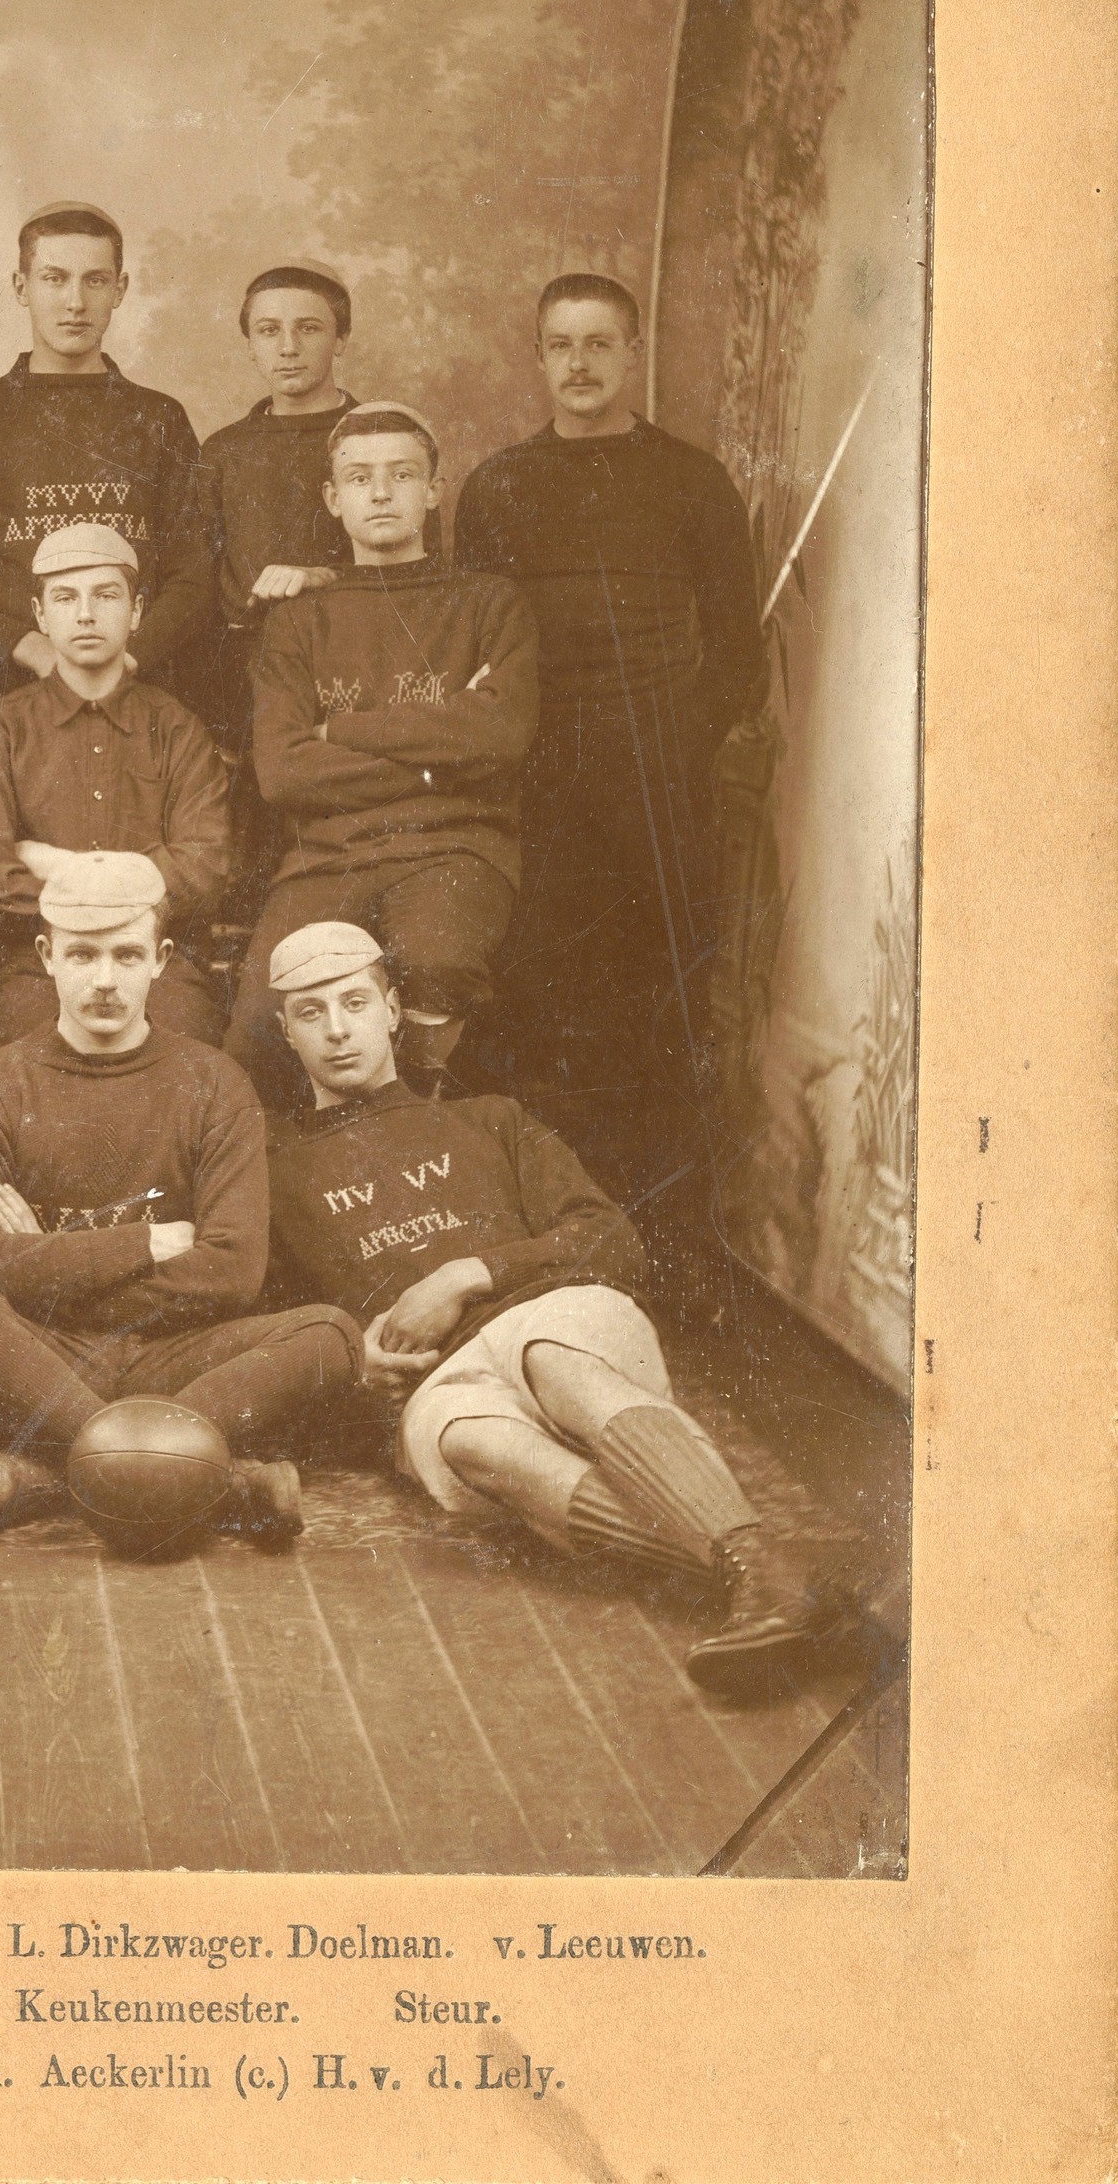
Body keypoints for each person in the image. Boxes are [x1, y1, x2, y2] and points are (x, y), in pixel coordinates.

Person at [261, 923, 827, 1696]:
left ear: (392, 1010)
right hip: (436, 1383)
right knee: (472, 1443)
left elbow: (610, 1238)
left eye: (354, 1002)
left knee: (549, 1361)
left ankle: (750, 1565)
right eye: (309, 1012)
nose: (336, 1029)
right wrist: (352, 1351)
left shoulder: (489, 1119)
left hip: (555, 1318)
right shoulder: (278, 1176)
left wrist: (467, 1270)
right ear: (284, 1032)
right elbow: (278, 1332)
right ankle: (766, 1577)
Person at [0, 854, 364, 1547]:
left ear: (160, 958)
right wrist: (150, 1241)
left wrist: (48, 1263)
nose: (102, 979)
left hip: (177, 1357)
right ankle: (221, 1480)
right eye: (82, 954)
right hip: (51, 1359)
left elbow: (234, 1271)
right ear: (45, 956)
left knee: (330, 1335)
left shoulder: (214, 1082)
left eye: (125, 954)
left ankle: (56, 1476)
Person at [451, 274, 765, 1193]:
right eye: (560, 344)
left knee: (662, 1003)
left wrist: (672, 746)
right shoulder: (497, 485)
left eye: (599, 344)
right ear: (538, 357)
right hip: (536, 775)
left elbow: (738, 652)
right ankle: (558, 1222)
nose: (579, 364)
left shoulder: (690, 479)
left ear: (633, 354)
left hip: (657, 778)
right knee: (542, 998)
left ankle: (667, 1236)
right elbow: (474, 636)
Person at [224, 401, 538, 1100]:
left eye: (402, 474)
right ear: (334, 500)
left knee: (434, 959)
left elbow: (500, 735)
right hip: (325, 859)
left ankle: (404, 1117)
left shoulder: (487, 603)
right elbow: (282, 773)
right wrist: (439, 752)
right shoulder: (299, 619)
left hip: (455, 849)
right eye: (360, 478)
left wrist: (342, 731)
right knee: (260, 1022)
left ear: (432, 490)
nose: (381, 492)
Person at [0, 200, 211, 704]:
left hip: (135, 690)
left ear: (120, 289)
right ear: (20, 287)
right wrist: (35, 651)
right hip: (6, 691)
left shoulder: (160, 418)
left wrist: (127, 660)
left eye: (95, 280)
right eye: (54, 278)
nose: (75, 302)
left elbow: (194, 578)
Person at [0, 524, 230, 1050]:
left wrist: (63, 868)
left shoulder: (176, 728)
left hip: (155, 968)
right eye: (65, 597)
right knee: (25, 1037)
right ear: (40, 616)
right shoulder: (0, 728)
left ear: (137, 611)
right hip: (33, 966)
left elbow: (204, 866)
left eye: (105, 595)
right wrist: (135, 878)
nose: (85, 614)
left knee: (186, 1032)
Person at [192, 259, 358, 896]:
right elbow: (201, 587)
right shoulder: (224, 451)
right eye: (268, 331)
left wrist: (321, 576)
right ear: (250, 342)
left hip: (350, 677)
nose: (287, 347)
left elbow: (420, 569)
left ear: (340, 338)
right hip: (246, 691)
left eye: (309, 328)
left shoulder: (373, 436)